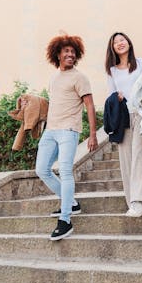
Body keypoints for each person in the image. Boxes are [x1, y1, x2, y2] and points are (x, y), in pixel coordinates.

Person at [35, 34, 98, 241]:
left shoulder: (79, 78)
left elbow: (89, 105)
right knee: (42, 169)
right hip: (51, 130)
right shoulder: (54, 78)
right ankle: (71, 202)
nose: (70, 54)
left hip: (69, 131)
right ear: (58, 54)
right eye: (66, 51)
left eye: (73, 52)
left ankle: (65, 220)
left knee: (65, 171)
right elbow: (55, 102)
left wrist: (92, 134)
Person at [105, 32, 142, 217]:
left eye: (122, 39)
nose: (120, 43)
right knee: (126, 161)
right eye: (116, 42)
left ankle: (137, 201)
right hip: (123, 117)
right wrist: (117, 97)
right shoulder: (112, 71)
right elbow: (111, 95)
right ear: (112, 48)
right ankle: (138, 203)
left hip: (141, 114)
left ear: (129, 42)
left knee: (139, 157)